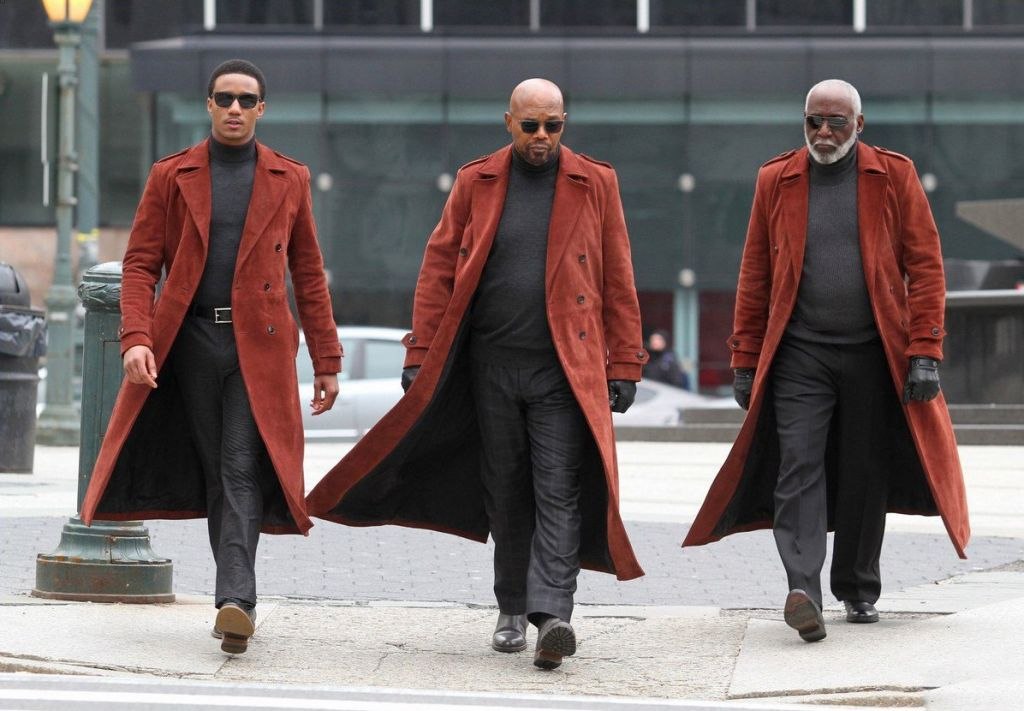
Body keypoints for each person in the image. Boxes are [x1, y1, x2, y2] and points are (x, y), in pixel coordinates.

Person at [307, 78, 648, 669]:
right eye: (530, 125)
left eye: (553, 126)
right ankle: (512, 608)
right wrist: (419, 352)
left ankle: (553, 615)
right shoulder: (477, 180)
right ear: (509, 122)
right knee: (506, 489)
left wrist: (624, 360)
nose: (541, 137)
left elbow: (617, 275)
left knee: (559, 489)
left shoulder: (595, 181)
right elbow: (439, 266)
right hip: (489, 366)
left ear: (564, 124)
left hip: (563, 370)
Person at [682, 79, 969, 643]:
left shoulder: (894, 175)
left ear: (858, 125)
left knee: (865, 471)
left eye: (836, 122)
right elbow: (755, 273)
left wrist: (925, 351)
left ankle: (858, 588)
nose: (823, 132)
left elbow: (926, 266)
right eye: (813, 121)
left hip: (874, 352)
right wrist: (745, 358)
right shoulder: (776, 178)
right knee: (797, 464)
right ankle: (803, 590)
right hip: (800, 353)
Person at [80, 59, 341, 654]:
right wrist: (137, 337)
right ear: (209, 105)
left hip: (260, 346)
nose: (235, 109)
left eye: (246, 100)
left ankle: (236, 601)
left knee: (239, 466)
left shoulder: (289, 177)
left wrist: (326, 358)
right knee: (218, 470)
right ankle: (236, 599)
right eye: (224, 98)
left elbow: (308, 272)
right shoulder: (172, 174)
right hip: (192, 342)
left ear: (261, 109)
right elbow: (140, 264)